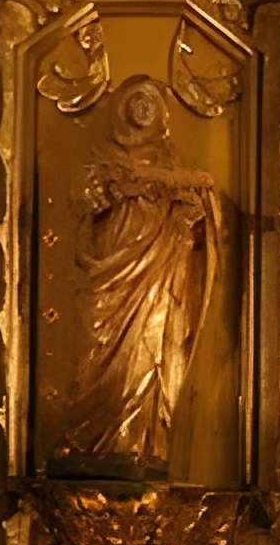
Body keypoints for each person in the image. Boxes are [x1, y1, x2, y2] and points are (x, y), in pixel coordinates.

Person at [53, 75, 224, 481]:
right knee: (96, 350)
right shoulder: (103, 157)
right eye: (136, 101)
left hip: (158, 275)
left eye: (151, 103)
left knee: (150, 354)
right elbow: (83, 197)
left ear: (161, 115)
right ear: (122, 110)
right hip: (110, 269)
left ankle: (140, 446)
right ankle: (90, 440)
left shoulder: (173, 163)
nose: (143, 109)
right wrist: (111, 188)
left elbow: (201, 197)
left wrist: (183, 216)